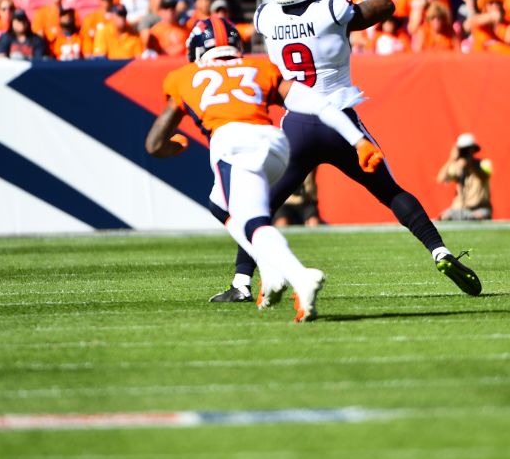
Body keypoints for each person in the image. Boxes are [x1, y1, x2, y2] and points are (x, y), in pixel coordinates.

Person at [208, 0, 481, 303]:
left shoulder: (265, 17)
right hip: (339, 120)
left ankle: (242, 282)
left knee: (257, 207)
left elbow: (291, 2)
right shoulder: (332, 9)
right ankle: (439, 252)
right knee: (390, 192)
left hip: (297, 126)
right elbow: (382, 5)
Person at [145, 17, 385, 322]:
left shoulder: (182, 77)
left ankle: (298, 275)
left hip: (234, 144)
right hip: (275, 146)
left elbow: (154, 144)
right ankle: (270, 270)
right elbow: (320, 105)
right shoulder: (260, 68)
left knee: (253, 223)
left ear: (196, 51)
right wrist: (358, 141)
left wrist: (174, 147)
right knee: (219, 203)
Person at [437, 133, 493, 221]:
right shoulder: (457, 166)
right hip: (459, 209)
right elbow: (441, 179)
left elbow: (483, 176)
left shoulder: (483, 163)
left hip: (478, 208)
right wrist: (451, 159)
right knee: (444, 216)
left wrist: (470, 163)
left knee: (479, 216)